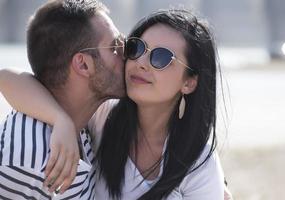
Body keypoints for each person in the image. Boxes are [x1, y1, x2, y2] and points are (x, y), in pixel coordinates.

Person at [0, 6, 234, 200]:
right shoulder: (102, 116)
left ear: (189, 83)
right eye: (136, 48)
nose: (140, 62)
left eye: (161, 57)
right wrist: (60, 120)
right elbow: (8, 79)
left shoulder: (197, 159)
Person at [0, 0, 125, 199]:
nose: (125, 55)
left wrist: (62, 120)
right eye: (115, 47)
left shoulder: (82, 120)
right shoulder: (28, 156)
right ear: (83, 64)